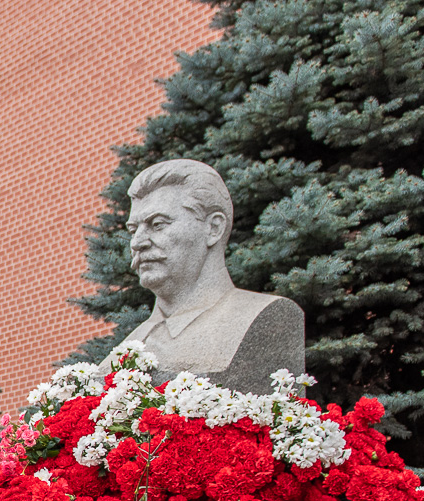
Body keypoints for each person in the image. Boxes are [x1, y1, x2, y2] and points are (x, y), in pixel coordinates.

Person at [119, 159, 306, 392]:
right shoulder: (129, 347)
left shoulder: (265, 316)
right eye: (133, 230)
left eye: (157, 224)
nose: (137, 243)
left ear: (213, 228)